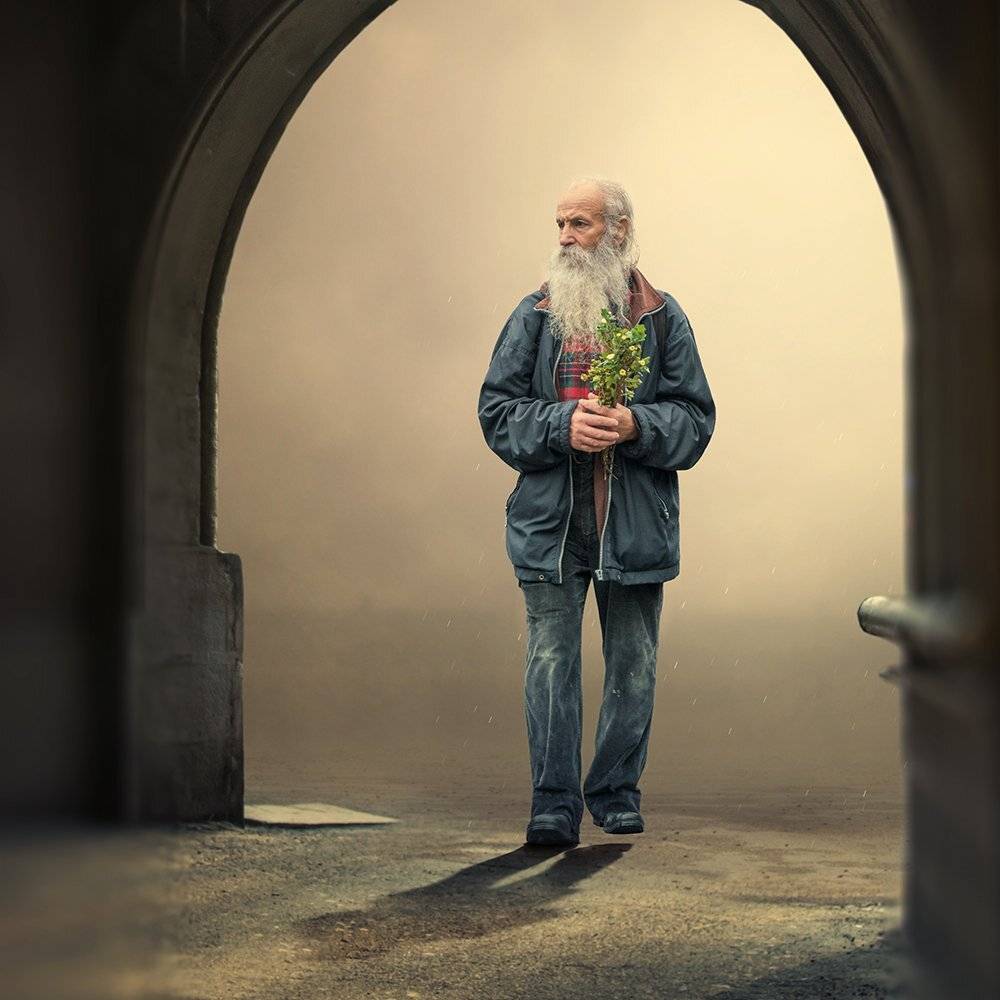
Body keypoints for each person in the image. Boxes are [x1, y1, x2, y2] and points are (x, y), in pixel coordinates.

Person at [477, 177, 716, 847]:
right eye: (559, 224)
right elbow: (496, 413)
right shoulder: (534, 314)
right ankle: (553, 803)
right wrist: (561, 424)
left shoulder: (664, 318)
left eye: (579, 224)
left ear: (618, 230)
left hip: (634, 524)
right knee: (551, 662)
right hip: (551, 525)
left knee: (633, 663)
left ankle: (615, 791)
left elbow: (697, 421)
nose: (564, 238)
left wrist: (635, 425)